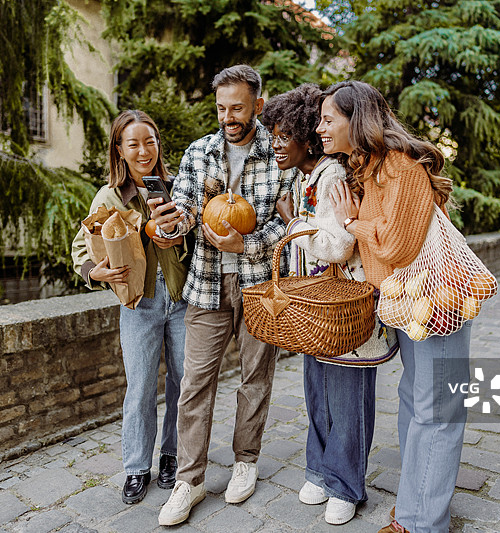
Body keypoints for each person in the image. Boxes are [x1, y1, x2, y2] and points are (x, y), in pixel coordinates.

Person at [150, 65, 296, 526]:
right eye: (221, 108)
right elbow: (189, 209)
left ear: (257, 101)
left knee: (255, 378)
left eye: (237, 107)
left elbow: (289, 220)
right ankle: (189, 482)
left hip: (260, 287)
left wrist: (246, 243)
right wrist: (172, 227)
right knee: (195, 384)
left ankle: (245, 461)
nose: (228, 116)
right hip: (207, 283)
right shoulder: (200, 151)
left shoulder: (278, 153)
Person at [323, 81, 471, 533]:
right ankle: (417, 502)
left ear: (358, 120)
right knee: (415, 400)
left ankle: (421, 522)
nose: (320, 127)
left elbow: (397, 245)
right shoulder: (368, 170)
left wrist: (354, 220)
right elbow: (373, 250)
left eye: (329, 119)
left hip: (437, 298)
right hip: (409, 302)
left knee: (437, 410)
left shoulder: (401, 167)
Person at [263, 84, 399, 526]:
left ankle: (346, 483)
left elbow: (339, 244)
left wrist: (292, 220)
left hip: (345, 306)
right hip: (318, 307)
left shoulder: (334, 177)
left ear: (304, 136)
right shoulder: (309, 178)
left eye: (285, 136)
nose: (277, 145)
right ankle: (319, 470)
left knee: (347, 398)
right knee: (317, 390)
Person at [71, 110, 191, 505]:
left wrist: (175, 234)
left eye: (150, 141)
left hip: (180, 297)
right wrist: (96, 272)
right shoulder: (108, 197)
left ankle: (172, 456)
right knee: (140, 387)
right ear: (119, 151)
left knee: (182, 384)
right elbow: (79, 247)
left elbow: (195, 242)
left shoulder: (176, 187)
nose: (144, 151)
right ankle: (137, 467)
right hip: (138, 302)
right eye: (134, 144)